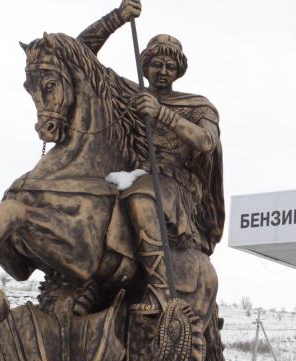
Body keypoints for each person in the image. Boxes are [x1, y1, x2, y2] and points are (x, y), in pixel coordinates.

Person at [77, 0, 224, 314]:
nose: (163, 71)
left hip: (175, 185)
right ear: (146, 65)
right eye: (157, 64)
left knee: (141, 197)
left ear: (179, 70)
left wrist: (162, 114)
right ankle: (97, 278)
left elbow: (206, 140)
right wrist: (117, 18)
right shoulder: (130, 93)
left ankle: (160, 289)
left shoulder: (198, 105)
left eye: (170, 66)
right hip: (131, 175)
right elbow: (78, 53)